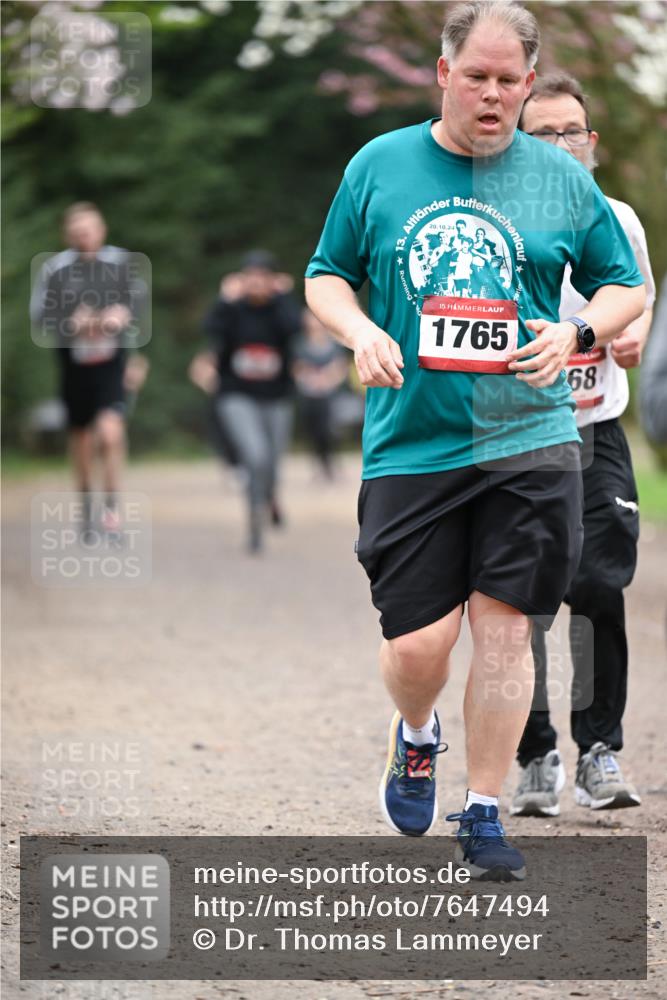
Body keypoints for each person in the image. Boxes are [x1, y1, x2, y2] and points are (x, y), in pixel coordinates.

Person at [305, 0, 646, 881]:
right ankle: (415, 734)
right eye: (476, 78)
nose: (491, 96)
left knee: (503, 633)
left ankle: (486, 808)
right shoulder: (380, 165)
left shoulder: (557, 178)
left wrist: (577, 335)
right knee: (419, 646)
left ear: (527, 85)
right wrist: (359, 334)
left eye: (508, 82)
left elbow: (623, 286)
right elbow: (325, 276)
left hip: (530, 441)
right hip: (412, 444)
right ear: (442, 75)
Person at [509, 73, 656, 817]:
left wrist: (629, 335)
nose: (562, 145)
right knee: (520, 603)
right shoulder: (494, 219)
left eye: (572, 132)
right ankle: (534, 756)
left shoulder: (619, 220)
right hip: (514, 436)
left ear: (590, 144)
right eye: (544, 134)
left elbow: (637, 298)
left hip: (594, 430)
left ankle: (599, 750)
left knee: (598, 589)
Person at [30, 202, 148, 534]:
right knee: (81, 439)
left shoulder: (122, 263)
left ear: (102, 230)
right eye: (78, 232)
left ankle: (112, 510)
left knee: (111, 434)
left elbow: (139, 306)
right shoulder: (55, 269)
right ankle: (86, 506)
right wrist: (70, 323)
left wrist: (124, 319)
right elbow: (39, 316)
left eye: (90, 229)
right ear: (68, 235)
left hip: (112, 364)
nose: (85, 237)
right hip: (75, 366)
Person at [190, 251, 301, 554]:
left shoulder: (280, 310)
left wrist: (282, 297)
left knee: (272, 462)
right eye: (250, 276)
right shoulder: (232, 310)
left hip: (276, 397)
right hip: (236, 395)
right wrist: (224, 299)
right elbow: (209, 328)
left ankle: (270, 496)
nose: (256, 282)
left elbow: (296, 328)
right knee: (256, 455)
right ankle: (255, 522)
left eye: (263, 276)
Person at [292, 309, 350, 480]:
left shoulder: (334, 344)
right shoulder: (299, 344)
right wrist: (310, 380)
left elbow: (340, 366)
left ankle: (332, 465)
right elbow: (297, 367)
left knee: (330, 431)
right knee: (313, 432)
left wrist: (327, 380)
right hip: (308, 394)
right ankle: (319, 465)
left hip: (330, 396)